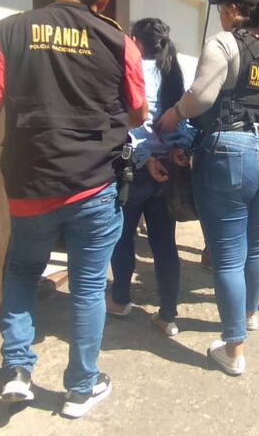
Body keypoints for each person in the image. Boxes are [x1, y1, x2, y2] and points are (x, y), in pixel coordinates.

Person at [0, 0, 147, 419]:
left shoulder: (10, 32)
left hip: (29, 185)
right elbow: (139, 113)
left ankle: (17, 371)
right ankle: (81, 388)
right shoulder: (119, 41)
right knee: (88, 286)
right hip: (94, 185)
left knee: (23, 271)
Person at [154, 0, 259, 376]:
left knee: (228, 256)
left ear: (233, 9)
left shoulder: (224, 43)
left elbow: (201, 96)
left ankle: (234, 349)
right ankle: (250, 314)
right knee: (256, 243)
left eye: (222, 8)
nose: (220, 15)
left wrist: (174, 114)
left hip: (231, 151)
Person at [107, 18, 196, 337]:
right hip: (167, 171)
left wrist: (145, 159)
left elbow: (124, 125)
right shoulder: (173, 71)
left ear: (135, 41)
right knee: (164, 243)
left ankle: (120, 300)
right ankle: (168, 314)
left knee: (123, 236)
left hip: (133, 167)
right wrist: (179, 149)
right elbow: (183, 122)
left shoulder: (128, 70)